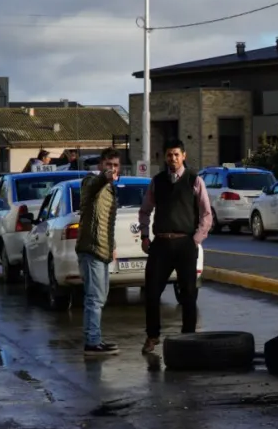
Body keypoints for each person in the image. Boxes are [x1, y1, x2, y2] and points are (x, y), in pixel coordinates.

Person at [138, 139, 213, 355]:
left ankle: (188, 337)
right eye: (169, 155)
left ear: (184, 156)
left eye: (176, 155)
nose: (173, 158)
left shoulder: (194, 180)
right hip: (160, 243)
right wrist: (145, 235)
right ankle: (152, 336)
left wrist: (195, 239)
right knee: (152, 292)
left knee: (188, 293)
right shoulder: (157, 181)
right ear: (165, 157)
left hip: (185, 244)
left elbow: (206, 214)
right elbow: (145, 210)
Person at [75, 148, 123, 356]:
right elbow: (95, 183)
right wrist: (105, 177)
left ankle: (95, 339)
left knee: (100, 296)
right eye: (108, 165)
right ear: (100, 166)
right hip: (91, 248)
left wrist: (112, 247)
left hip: (102, 250)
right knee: (94, 298)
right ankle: (92, 343)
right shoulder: (89, 183)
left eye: (115, 166)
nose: (112, 169)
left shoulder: (111, 191)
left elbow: (108, 223)